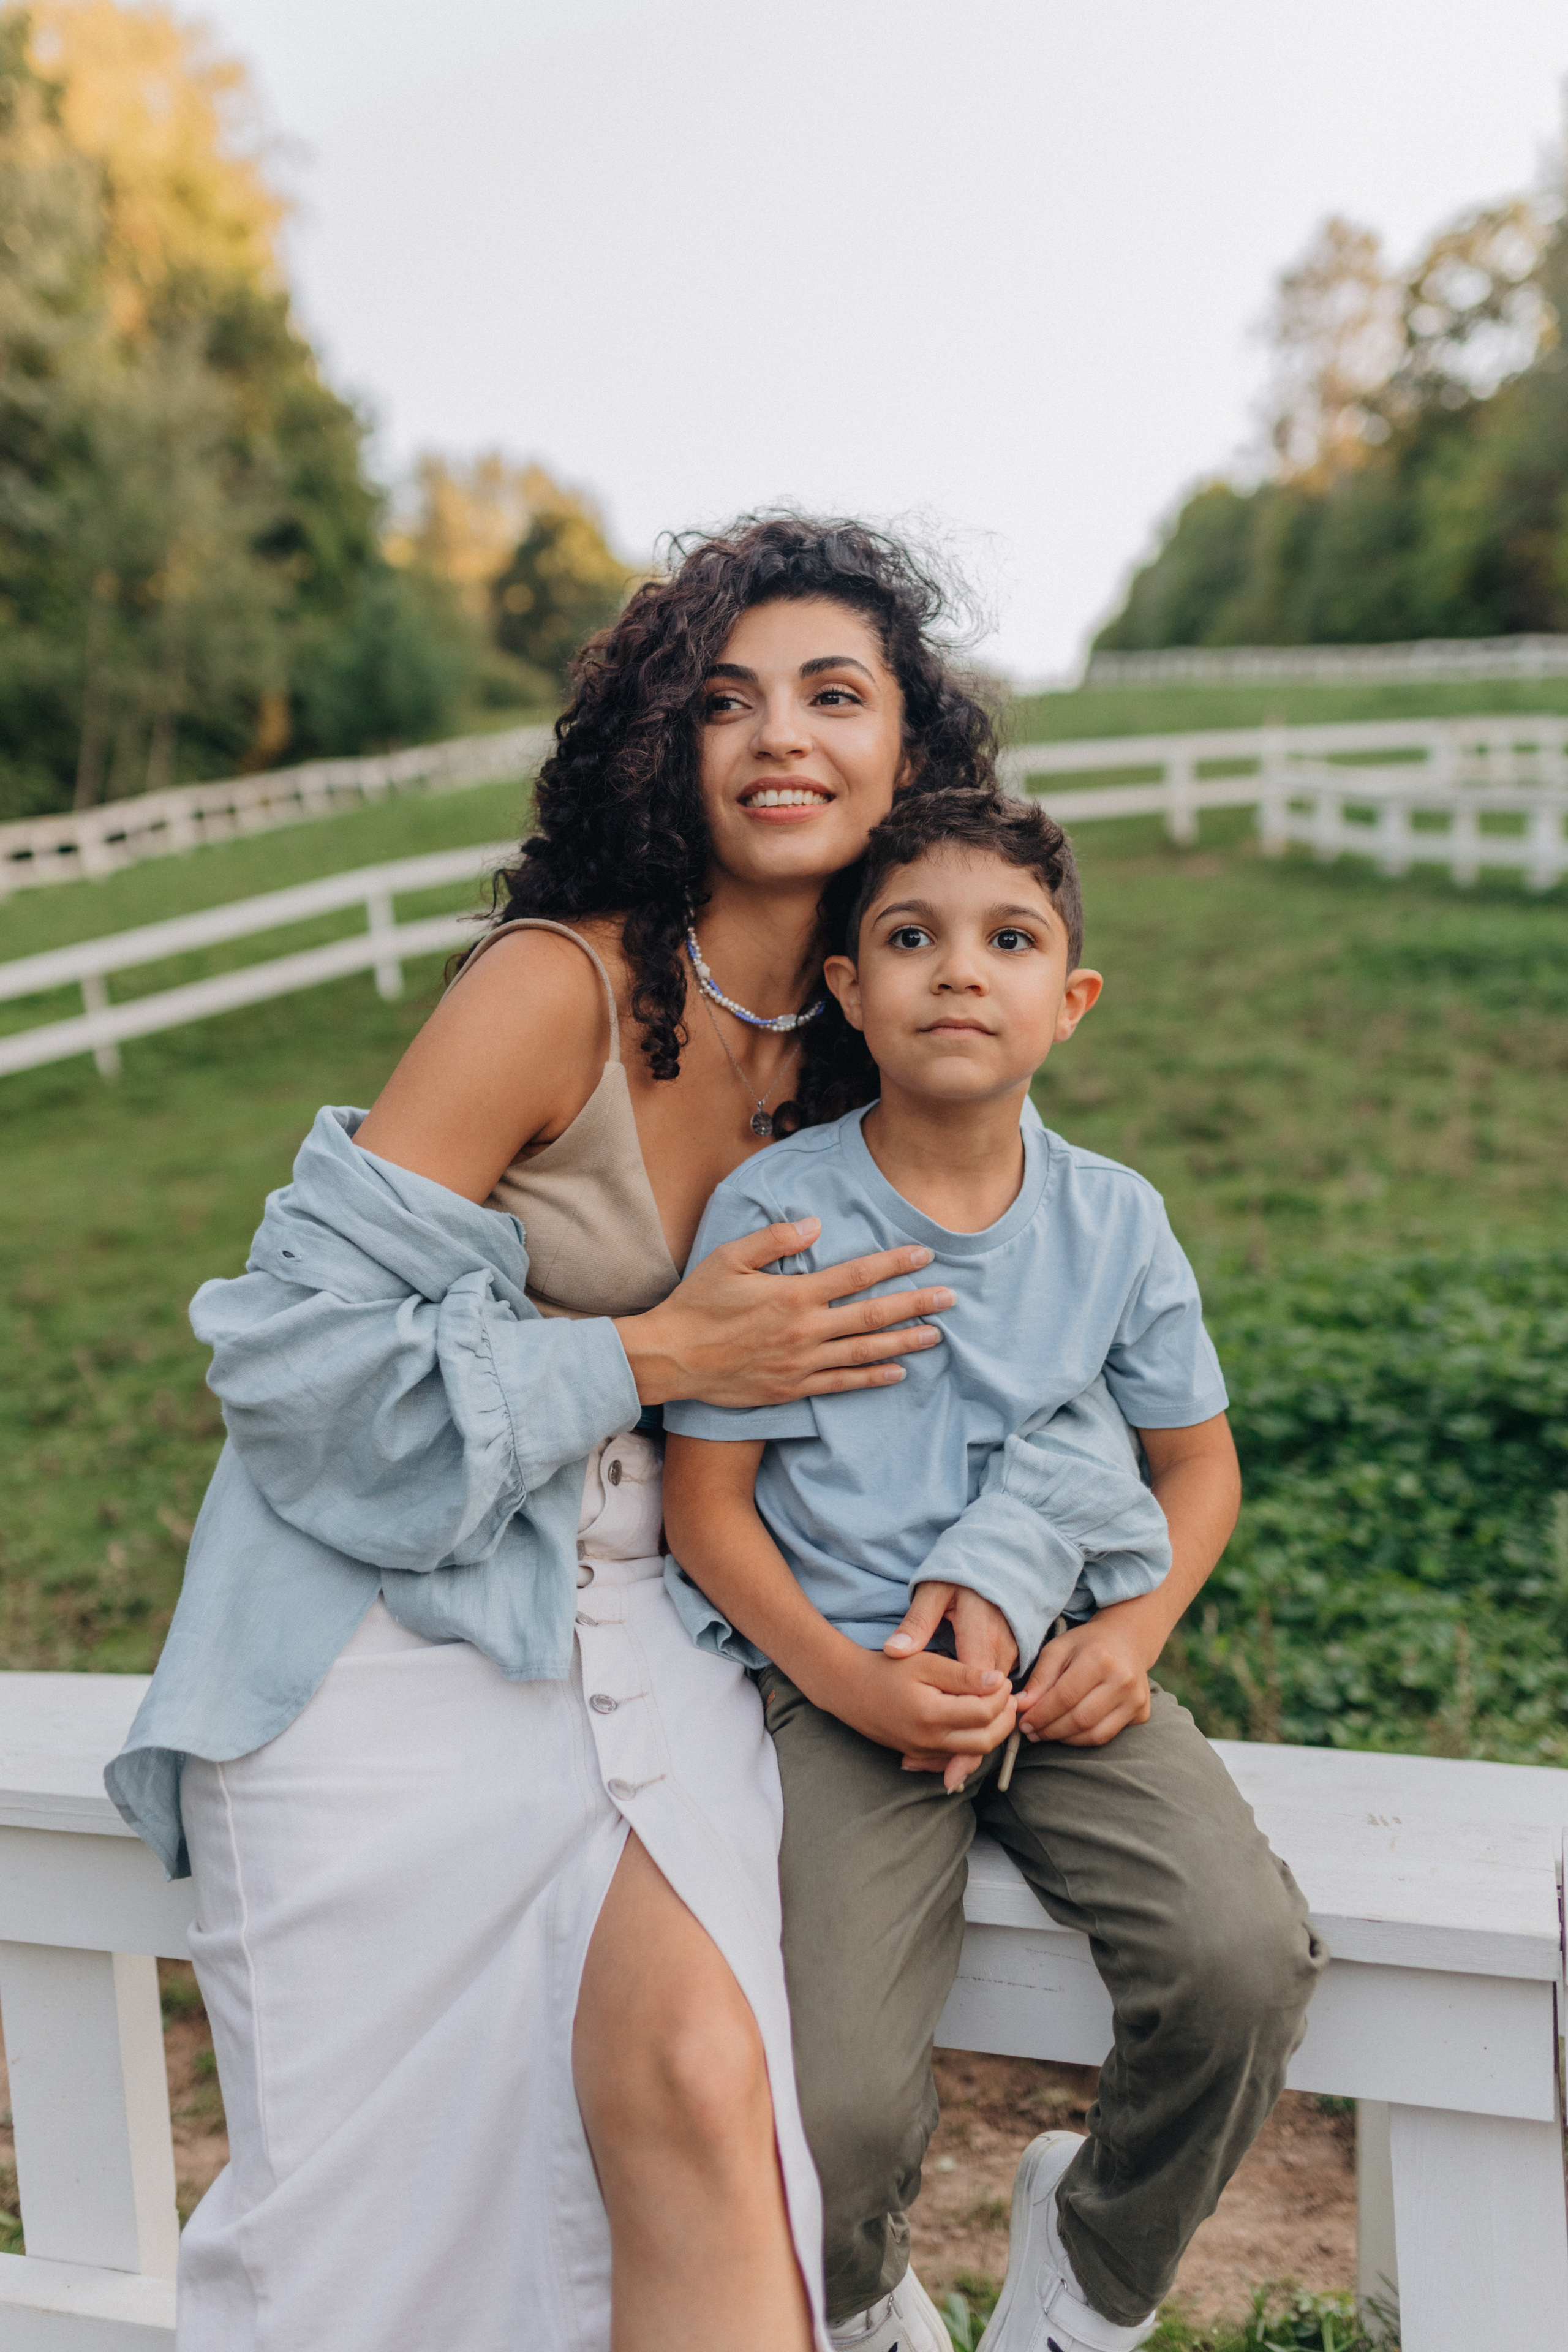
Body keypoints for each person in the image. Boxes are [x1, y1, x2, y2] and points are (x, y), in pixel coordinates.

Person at [105, 516, 1025, 2352]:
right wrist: (654, 1353)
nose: (781, 736)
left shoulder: (881, 1035)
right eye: (727, 700)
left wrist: (1005, 1579)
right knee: (376, 2244)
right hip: (383, 1637)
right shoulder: (555, 989)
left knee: (702, 2087)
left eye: (835, 697)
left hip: (662, 1637)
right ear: (665, 749)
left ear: (908, 752)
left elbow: (1044, 1345)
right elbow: (291, 1373)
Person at [662, 789, 1328, 2352]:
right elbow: (707, 1510)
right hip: (844, 1688)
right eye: (912, 937)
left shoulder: (1112, 1222)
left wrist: (1136, 1633)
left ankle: (1088, 2279)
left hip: (1063, 1674)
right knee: (826, 2107)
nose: (959, 970)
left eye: (1008, 941)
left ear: (1068, 1000)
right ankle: (860, 2295)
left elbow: (1196, 1467)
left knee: (1238, 1963)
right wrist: (848, 1683)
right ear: (848, 989)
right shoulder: (778, 1210)